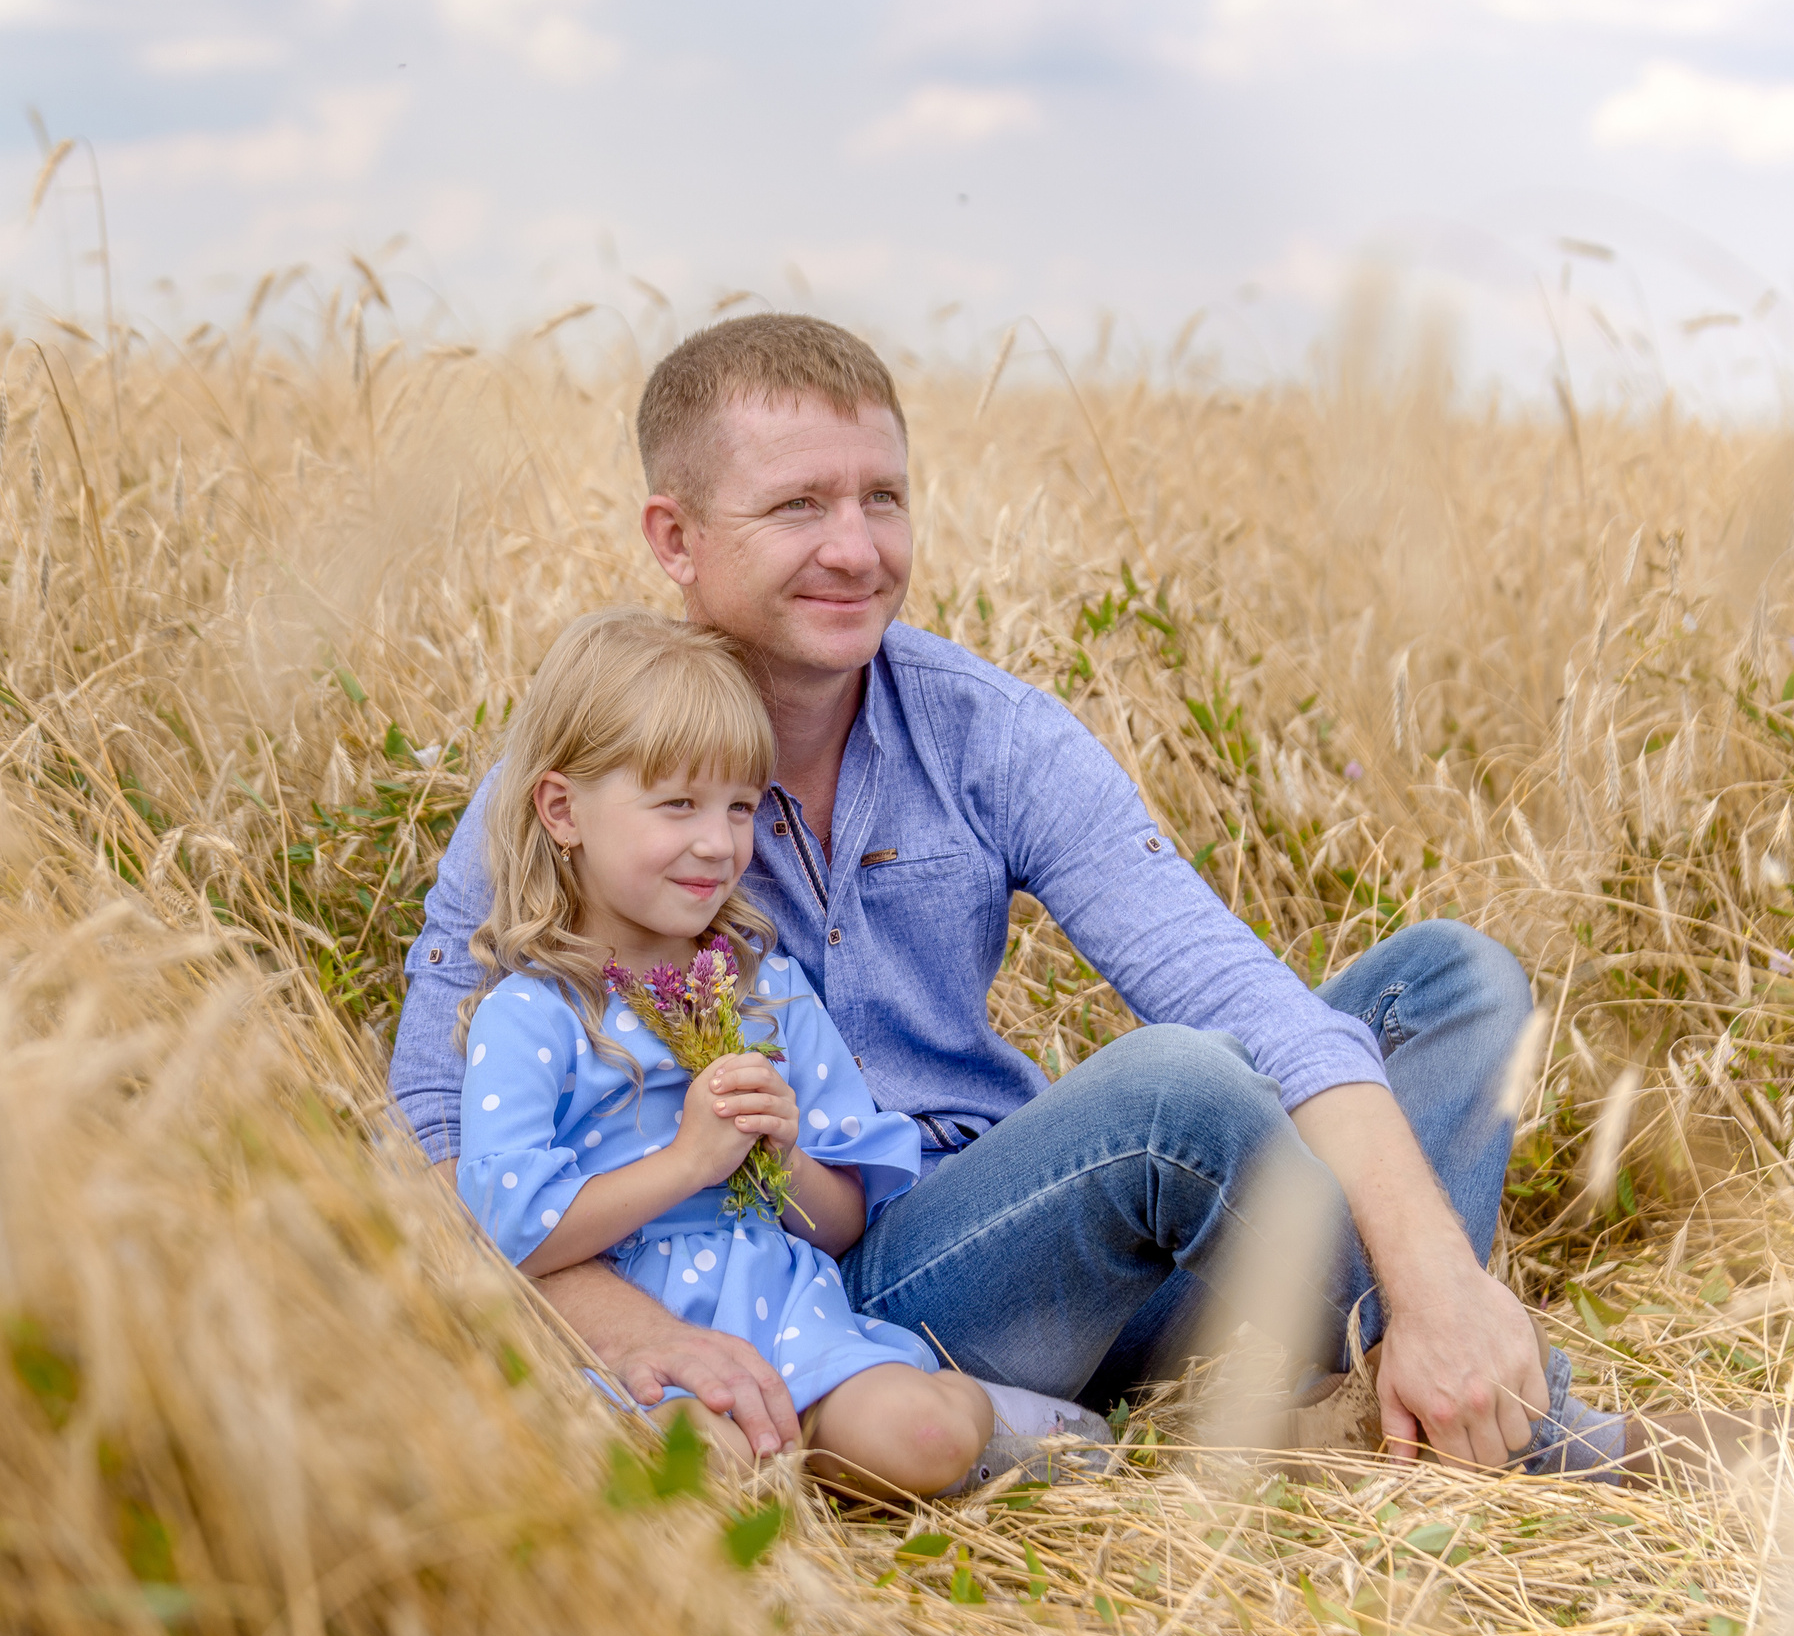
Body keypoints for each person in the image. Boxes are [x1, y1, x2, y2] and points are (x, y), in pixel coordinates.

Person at [391, 313, 1706, 1485]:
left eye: (885, 498)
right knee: (1174, 1097)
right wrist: (649, 1337)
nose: (857, 548)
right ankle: (1527, 1433)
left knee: (1452, 983)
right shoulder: (579, 782)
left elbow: (1238, 989)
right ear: (673, 537)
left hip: (1048, 1229)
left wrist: (1440, 1284)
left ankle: (1376, 1373)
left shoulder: (988, 734)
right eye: (799, 506)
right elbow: (435, 1133)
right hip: (833, 1284)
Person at [455, 606, 1091, 1495]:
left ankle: (1006, 1419)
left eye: (740, 807)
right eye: (677, 803)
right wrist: (686, 1162)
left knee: (919, 1435)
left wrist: (782, 1155)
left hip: (790, 1313)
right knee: (699, 1476)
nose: (718, 843)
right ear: (563, 809)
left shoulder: (767, 991)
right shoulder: (533, 1014)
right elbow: (508, 1230)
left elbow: (844, 1223)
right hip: (624, 1342)